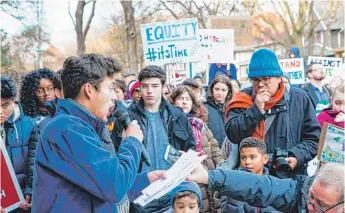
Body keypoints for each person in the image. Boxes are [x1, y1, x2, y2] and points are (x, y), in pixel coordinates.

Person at [31, 54, 165, 213]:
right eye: (110, 88)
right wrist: (132, 141)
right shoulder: (66, 128)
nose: (115, 97)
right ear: (89, 90)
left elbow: (97, 186)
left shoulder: (85, 126)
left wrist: (144, 181)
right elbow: (113, 186)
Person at [225, 48, 321, 177]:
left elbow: (314, 138)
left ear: (279, 78)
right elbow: (233, 134)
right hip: (252, 179)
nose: (260, 84)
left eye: (266, 79)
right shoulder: (242, 99)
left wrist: (296, 156)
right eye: (255, 80)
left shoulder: (299, 98)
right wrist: (256, 110)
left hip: (289, 177)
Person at [122, 65, 196, 212]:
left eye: (155, 86)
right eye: (145, 86)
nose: (149, 91)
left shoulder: (177, 115)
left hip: (174, 191)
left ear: (163, 87)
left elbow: (191, 148)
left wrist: (186, 160)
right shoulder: (127, 117)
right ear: (140, 88)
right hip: (141, 194)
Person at [188, 162, 344, 213]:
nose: (310, 207)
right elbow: (258, 186)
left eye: (321, 205)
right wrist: (210, 177)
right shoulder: (298, 191)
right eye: (311, 197)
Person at [169, 85, 224, 213]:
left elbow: (214, 147)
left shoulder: (199, 124)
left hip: (207, 169)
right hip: (188, 174)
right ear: (173, 101)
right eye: (180, 98)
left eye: (188, 99)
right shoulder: (169, 124)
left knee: (213, 203)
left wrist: (221, 166)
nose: (184, 102)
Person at [1, 76, 36, 212]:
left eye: (5, 105)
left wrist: (31, 190)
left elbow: (35, 162)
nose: (0, 112)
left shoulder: (30, 125)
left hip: (23, 202)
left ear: (14, 101)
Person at [221, 137, 280, 212]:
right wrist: (235, 192)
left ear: (265, 159)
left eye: (252, 157)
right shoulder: (230, 184)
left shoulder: (276, 186)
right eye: (243, 158)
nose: (247, 162)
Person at [205, 75, 233, 147]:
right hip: (211, 149)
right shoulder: (204, 108)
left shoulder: (233, 108)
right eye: (217, 89)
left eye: (223, 90)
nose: (220, 93)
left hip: (229, 150)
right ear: (212, 89)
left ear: (228, 90)